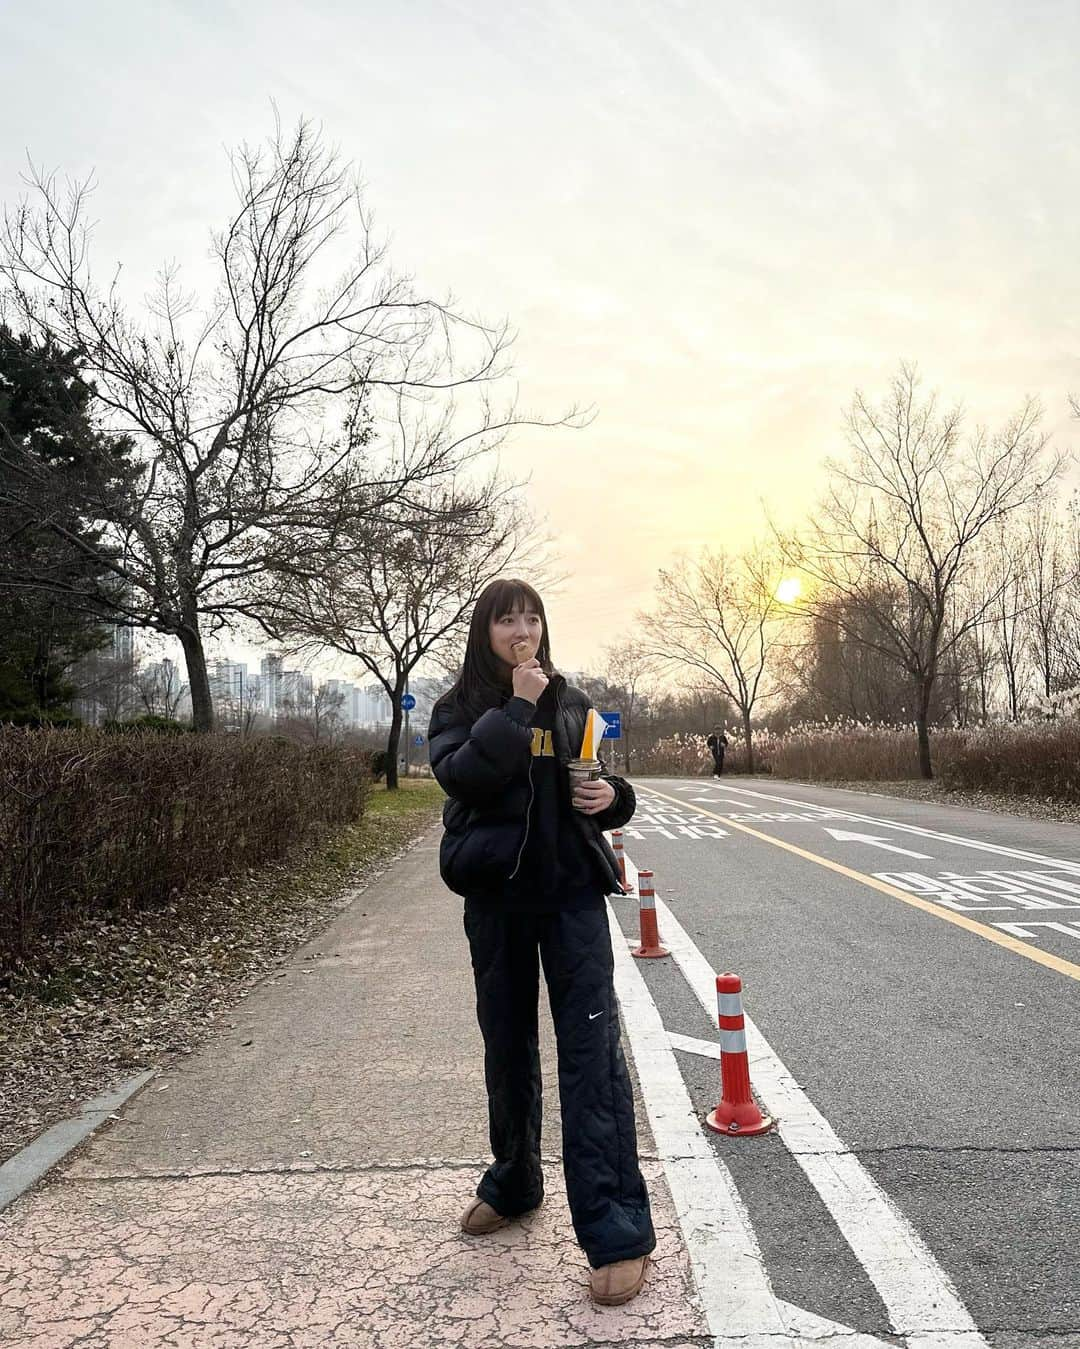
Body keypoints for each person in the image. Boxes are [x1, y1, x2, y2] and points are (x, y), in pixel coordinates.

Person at [428, 577, 656, 1306]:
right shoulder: (458, 708)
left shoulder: (573, 701)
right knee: (507, 1044)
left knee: (591, 1055)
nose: (521, 629)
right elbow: (463, 776)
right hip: (497, 899)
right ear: (485, 632)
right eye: (506, 619)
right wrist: (518, 704)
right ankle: (516, 1179)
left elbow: (597, 780)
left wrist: (612, 796)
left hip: (569, 899)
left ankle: (616, 1229)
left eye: (530, 617)